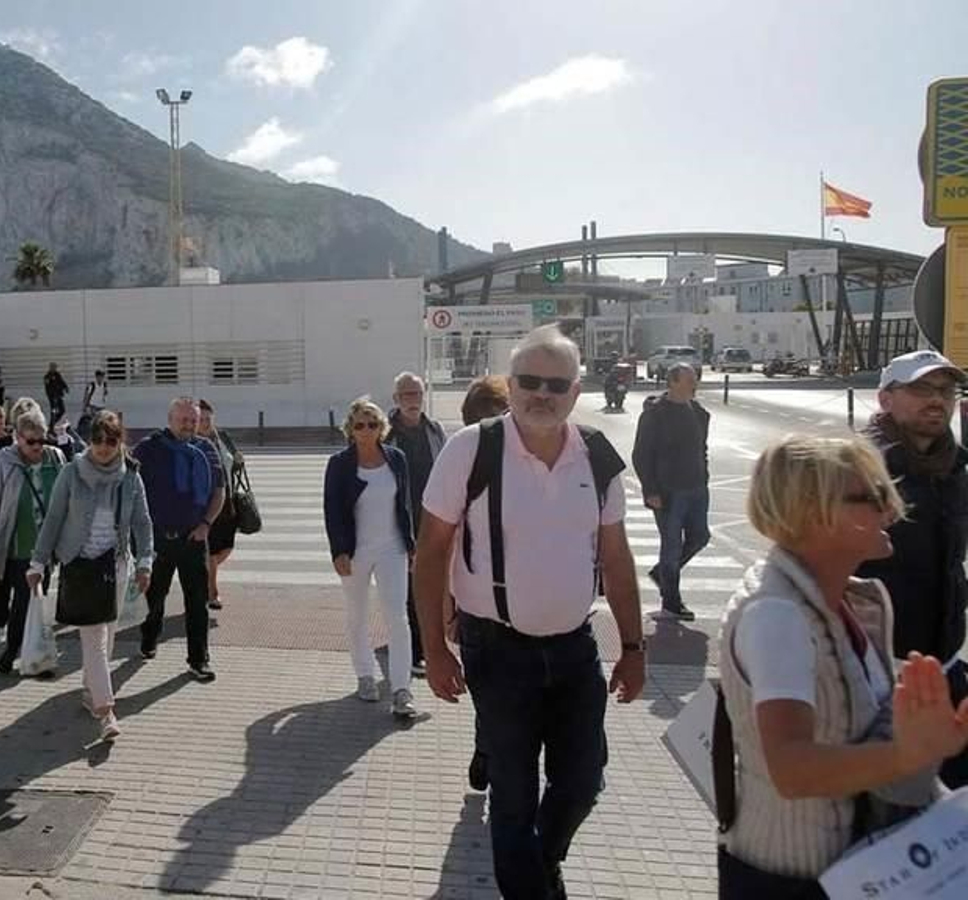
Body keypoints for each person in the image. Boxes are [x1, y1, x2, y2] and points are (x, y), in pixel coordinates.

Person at [414, 324, 645, 900]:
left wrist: (635, 648)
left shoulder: (597, 455)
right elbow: (432, 551)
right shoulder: (471, 447)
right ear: (511, 384)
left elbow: (616, 558)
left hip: (575, 647)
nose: (542, 393)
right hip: (496, 648)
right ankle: (534, 885)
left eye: (556, 383)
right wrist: (435, 649)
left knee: (583, 782)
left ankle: (543, 863)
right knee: (513, 798)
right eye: (529, 381)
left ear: (577, 388)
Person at [716, 435, 966, 896]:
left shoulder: (845, 598)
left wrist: (921, 735)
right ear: (813, 512)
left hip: (859, 867)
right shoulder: (778, 616)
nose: (892, 507)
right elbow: (792, 769)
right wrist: (907, 754)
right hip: (795, 881)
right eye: (872, 495)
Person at [857, 349, 968, 787]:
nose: (936, 400)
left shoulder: (956, 467)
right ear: (885, 399)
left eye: (945, 389)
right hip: (875, 676)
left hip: (942, 665)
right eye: (921, 389)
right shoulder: (858, 468)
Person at [27, 411, 155, 741]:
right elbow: (53, 520)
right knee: (94, 640)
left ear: (119, 442)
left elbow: (142, 522)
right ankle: (105, 711)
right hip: (81, 566)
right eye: (97, 440)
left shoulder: (130, 477)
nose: (102, 447)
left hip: (115, 566)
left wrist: (145, 563)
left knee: (107, 636)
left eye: (110, 441)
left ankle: (89, 692)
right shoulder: (72, 473)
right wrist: (37, 563)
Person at [325, 397, 419, 720]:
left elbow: (404, 505)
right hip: (355, 552)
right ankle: (365, 675)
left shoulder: (396, 458)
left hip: (392, 548)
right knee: (357, 616)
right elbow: (333, 511)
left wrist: (411, 544)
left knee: (399, 618)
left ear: (382, 427)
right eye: (360, 424)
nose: (367, 429)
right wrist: (338, 550)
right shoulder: (339, 464)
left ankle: (401, 689)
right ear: (350, 429)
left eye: (373, 423)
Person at [135, 397, 226, 682]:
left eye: (193, 420)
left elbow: (219, 491)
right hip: (158, 539)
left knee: (197, 601)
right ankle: (149, 637)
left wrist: (206, 524)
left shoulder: (207, 449)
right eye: (183, 419)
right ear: (170, 419)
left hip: (193, 538)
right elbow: (128, 485)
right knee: (154, 597)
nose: (189, 425)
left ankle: (199, 660)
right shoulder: (149, 448)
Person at [455, 373, 512, 793]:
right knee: (491, 692)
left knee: (499, 694)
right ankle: (488, 749)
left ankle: (489, 750)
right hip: (479, 607)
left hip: (521, 607)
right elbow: (442, 544)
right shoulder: (462, 463)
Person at [0, 408, 65, 675]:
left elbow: (67, 497)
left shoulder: (56, 458)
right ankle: (17, 650)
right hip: (18, 544)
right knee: (25, 601)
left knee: (37, 601)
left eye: (42, 439)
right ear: (17, 438)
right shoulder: (6, 460)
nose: (38, 446)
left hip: (47, 547)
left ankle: (31, 654)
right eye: (31, 441)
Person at [632, 363, 711, 622]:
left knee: (700, 537)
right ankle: (671, 601)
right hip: (668, 491)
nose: (694, 384)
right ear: (673, 382)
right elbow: (641, 455)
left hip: (697, 488)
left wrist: (704, 474)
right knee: (672, 546)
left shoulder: (700, 413)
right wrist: (650, 490)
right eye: (689, 379)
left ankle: (662, 574)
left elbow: (702, 448)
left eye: (695, 379)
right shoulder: (655, 414)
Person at [385, 371, 448, 678]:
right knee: (406, 587)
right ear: (396, 399)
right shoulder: (384, 432)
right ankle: (416, 651)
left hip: (431, 519)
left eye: (417, 394)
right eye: (406, 395)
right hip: (396, 521)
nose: (413, 400)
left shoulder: (435, 430)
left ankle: (414, 643)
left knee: (425, 583)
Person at [195, 399, 244, 611]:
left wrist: (239, 459)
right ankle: (212, 592)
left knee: (226, 548)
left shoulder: (222, 437)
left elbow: (235, 459)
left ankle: (204, 577)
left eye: (208, 419)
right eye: (201, 419)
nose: (205, 423)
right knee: (212, 552)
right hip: (206, 505)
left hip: (228, 503)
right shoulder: (193, 443)